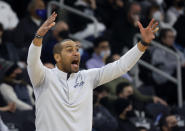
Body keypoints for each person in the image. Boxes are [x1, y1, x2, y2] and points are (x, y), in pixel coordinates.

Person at [27, 12, 159, 131]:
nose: (75, 53)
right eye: (69, 50)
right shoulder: (44, 77)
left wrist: (143, 44)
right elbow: (32, 62)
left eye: (77, 50)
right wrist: (39, 37)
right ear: (57, 57)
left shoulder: (87, 76)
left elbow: (121, 66)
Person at [151, 28, 185, 104]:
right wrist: (178, 65)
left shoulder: (175, 49)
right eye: (170, 37)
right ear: (163, 39)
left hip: (176, 76)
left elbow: (182, 60)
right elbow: (161, 65)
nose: (172, 39)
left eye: (173, 37)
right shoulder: (158, 49)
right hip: (165, 77)